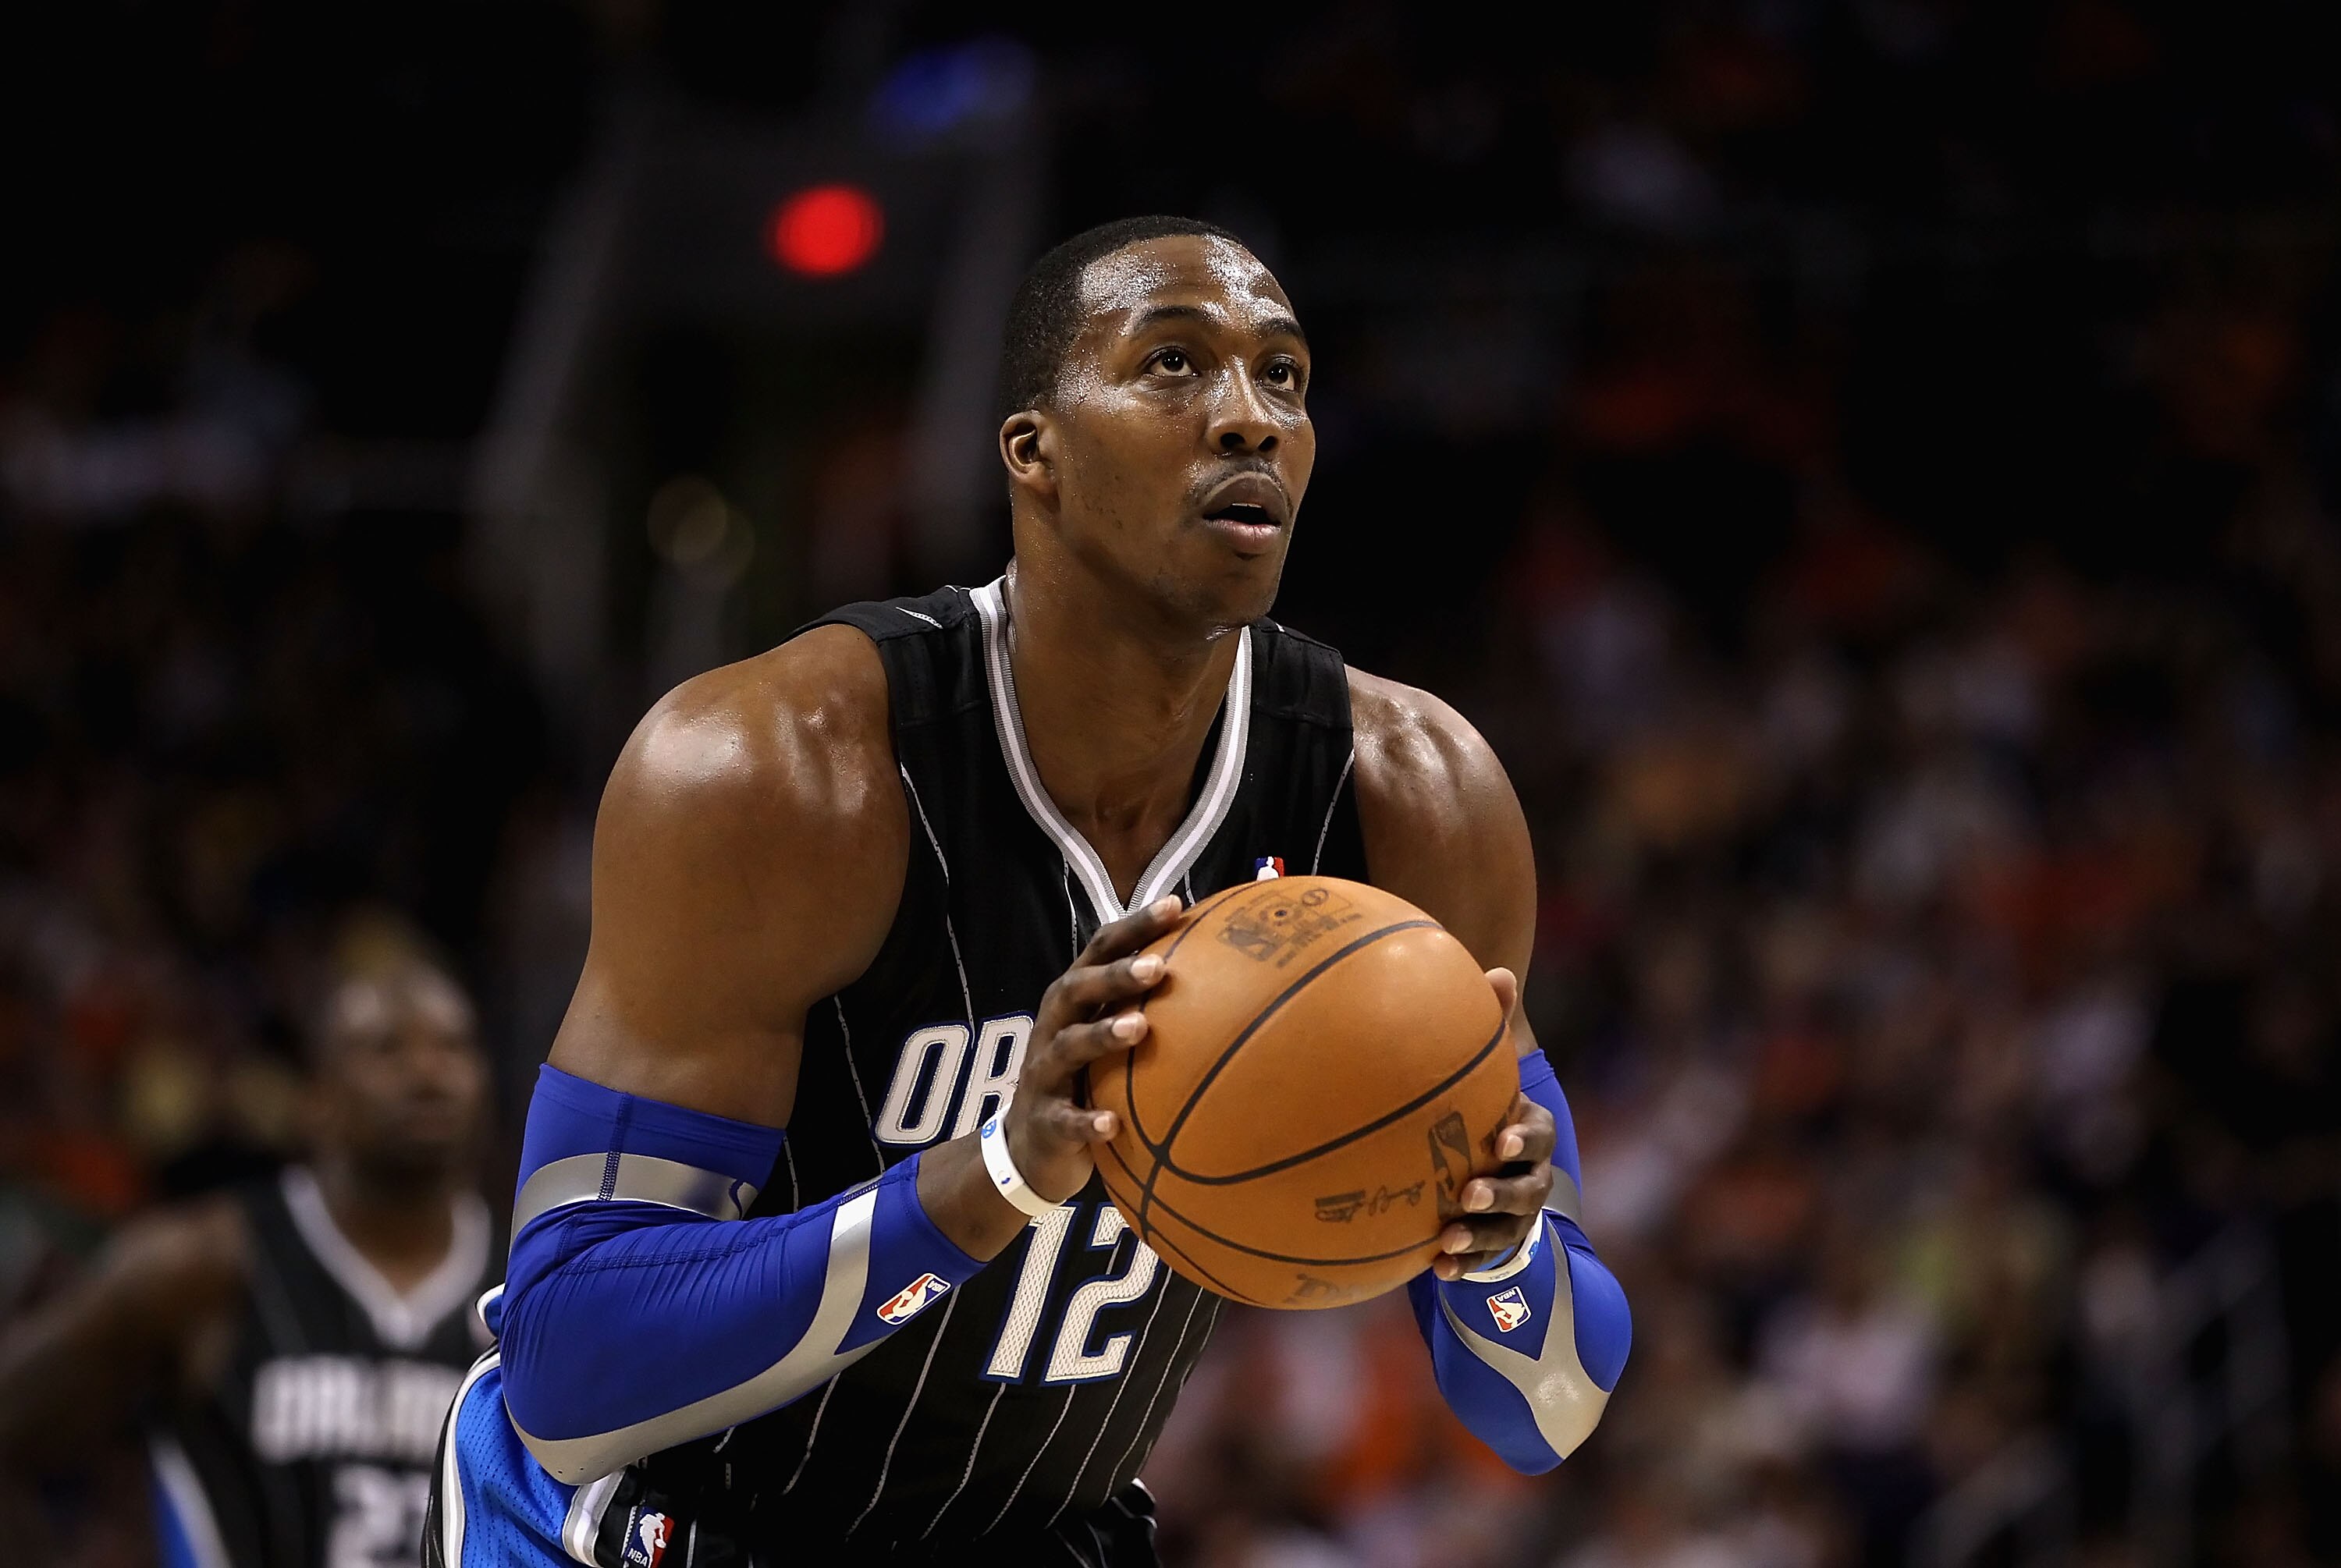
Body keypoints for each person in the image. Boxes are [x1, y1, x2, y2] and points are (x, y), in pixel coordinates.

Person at [432, 215, 1631, 1568]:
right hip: (658, 1528)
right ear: (1034, 453)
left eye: (1284, 377)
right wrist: (996, 1173)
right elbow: (570, 1370)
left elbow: (1554, 1405)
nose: (1248, 418)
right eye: (1174, 365)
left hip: (1041, 1536)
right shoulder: (777, 773)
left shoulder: (1418, 801)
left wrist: (1502, 1256)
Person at [0, 941, 498, 1568]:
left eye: (453, 1047)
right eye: (386, 1050)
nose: (427, 1073)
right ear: (317, 1098)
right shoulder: (204, 1264)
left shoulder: (528, 1287)